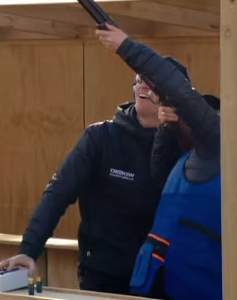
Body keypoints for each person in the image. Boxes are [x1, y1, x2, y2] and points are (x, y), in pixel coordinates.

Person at [0, 42, 180, 292]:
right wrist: (29, 250)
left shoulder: (187, 146)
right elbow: (57, 194)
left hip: (167, 276)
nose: (143, 85)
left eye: (153, 81)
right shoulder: (99, 138)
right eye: (139, 79)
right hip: (105, 277)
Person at [95, 24, 222, 299]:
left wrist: (126, 47)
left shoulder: (216, 146)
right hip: (160, 285)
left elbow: (181, 93)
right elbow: (159, 169)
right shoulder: (185, 160)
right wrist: (166, 127)